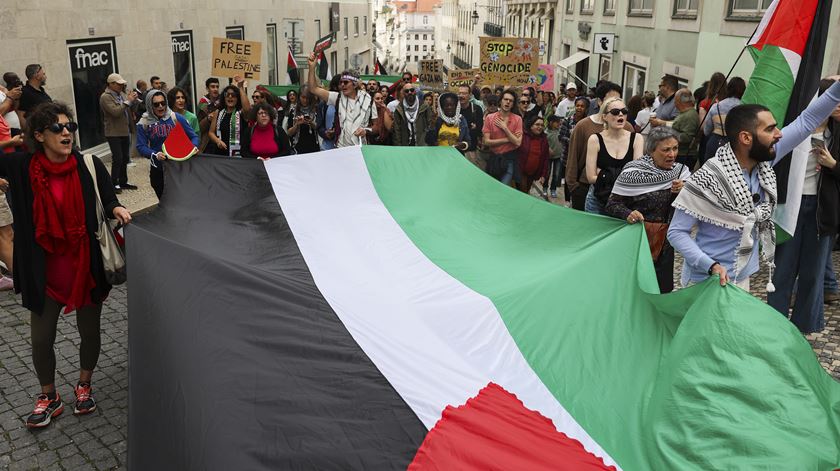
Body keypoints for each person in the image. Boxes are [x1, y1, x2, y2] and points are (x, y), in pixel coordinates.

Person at [0, 102, 131, 428]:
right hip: (44, 273)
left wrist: (116, 209)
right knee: (41, 339)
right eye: (57, 128)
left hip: (86, 268)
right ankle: (49, 395)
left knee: (90, 333)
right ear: (40, 135)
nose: (66, 133)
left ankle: (84, 384)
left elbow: (108, 197)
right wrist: (9, 142)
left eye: (69, 127)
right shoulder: (21, 167)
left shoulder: (88, 164)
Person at [668, 79, 840, 291]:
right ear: (746, 138)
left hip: (741, 278)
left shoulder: (764, 163)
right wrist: (710, 265)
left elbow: (806, 121)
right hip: (704, 281)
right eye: (770, 129)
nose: (779, 135)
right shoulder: (707, 177)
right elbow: (676, 232)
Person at [768, 78, 840, 333]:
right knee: (782, 270)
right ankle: (773, 324)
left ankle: (803, 328)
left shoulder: (837, 134)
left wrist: (833, 165)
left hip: (822, 212)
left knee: (812, 274)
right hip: (790, 206)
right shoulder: (794, 130)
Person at [606, 127, 690, 293]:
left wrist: (685, 190)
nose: (672, 155)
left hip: (665, 243)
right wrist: (628, 213)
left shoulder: (681, 172)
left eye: (675, 148)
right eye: (666, 150)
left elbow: (693, 206)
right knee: (636, 288)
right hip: (638, 239)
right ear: (651, 150)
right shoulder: (633, 172)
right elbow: (612, 204)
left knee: (662, 289)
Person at [565, 81, 634, 210]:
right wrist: (574, 187)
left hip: (619, 191)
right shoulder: (583, 126)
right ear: (600, 102)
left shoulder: (628, 127)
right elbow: (573, 158)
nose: (616, 108)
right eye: (610, 101)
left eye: (618, 100)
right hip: (586, 187)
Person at [584, 97, 644, 214]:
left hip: (624, 202)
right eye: (615, 112)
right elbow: (591, 177)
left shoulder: (637, 139)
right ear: (604, 117)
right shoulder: (595, 139)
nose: (620, 114)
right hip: (597, 199)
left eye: (624, 111)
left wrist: (604, 174)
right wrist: (621, 174)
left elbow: (636, 175)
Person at [136, 90, 199, 199]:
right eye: (156, 104)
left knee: (182, 200)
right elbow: (141, 146)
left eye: (163, 103)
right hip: (158, 169)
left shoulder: (176, 117)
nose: (161, 106)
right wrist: (155, 154)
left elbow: (193, 136)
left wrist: (193, 147)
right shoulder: (143, 123)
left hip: (179, 168)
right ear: (150, 106)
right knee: (164, 202)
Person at [307, 53, 377, 147]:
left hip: (361, 148)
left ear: (355, 85)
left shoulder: (369, 100)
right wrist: (311, 67)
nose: (342, 85)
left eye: (346, 82)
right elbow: (313, 89)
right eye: (341, 82)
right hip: (341, 148)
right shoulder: (337, 97)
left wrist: (366, 131)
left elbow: (376, 127)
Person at [99, 73, 139, 194]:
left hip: (124, 130)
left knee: (125, 157)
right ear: (111, 84)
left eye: (122, 84)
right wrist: (128, 102)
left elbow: (129, 109)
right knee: (118, 158)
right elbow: (115, 112)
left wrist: (134, 100)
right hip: (113, 132)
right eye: (119, 84)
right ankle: (114, 183)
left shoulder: (120, 95)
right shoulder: (105, 97)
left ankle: (123, 181)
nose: (122, 86)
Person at [482, 89, 523, 186]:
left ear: (513, 104)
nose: (508, 102)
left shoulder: (517, 119)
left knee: (503, 187)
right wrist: (509, 139)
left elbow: (518, 143)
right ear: (500, 101)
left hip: (509, 159)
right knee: (492, 188)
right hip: (493, 158)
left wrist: (505, 128)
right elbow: (487, 142)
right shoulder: (490, 118)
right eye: (505, 99)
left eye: (511, 101)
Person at [702, 77, 746, 164]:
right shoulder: (745, 109)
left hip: (714, 143)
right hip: (733, 146)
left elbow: (706, 131)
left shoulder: (716, 106)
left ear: (728, 88)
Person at [206, 79, 251, 157]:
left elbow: (247, 108)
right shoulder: (218, 112)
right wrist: (218, 141)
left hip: (238, 156)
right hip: (220, 154)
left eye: (233, 95)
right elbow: (211, 132)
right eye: (227, 95)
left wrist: (240, 87)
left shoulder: (241, 113)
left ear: (238, 99)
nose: (230, 97)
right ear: (224, 97)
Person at [393, 82, 434, 147]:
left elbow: (430, 126)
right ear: (403, 94)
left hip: (422, 145)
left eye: (412, 90)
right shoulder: (399, 109)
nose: (409, 92)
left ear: (415, 92)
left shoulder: (424, 107)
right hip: (406, 146)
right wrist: (399, 147)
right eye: (406, 91)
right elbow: (397, 131)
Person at [517, 115, 549, 194]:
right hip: (520, 171)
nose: (540, 127)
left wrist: (543, 175)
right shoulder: (523, 136)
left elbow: (545, 158)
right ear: (531, 126)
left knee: (526, 191)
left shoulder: (544, 140)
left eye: (542, 125)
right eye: (537, 124)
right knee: (523, 192)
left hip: (533, 174)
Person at [284, 86, 319, 154]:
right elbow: (289, 133)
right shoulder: (293, 111)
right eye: (303, 97)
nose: (305, 100)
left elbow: (319, 128)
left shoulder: (316, 110)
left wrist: (311, 123)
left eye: (308, 98)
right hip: (298, 147)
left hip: (314, 147)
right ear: (299, 97)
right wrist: (297, 124)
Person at [671, 88, 700, 168]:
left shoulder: (690, 115)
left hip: (684, 156)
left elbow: (687, 137)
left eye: (675, 100)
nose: (674, 103)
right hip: (682, 154)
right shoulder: (686, 113)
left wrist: (671, 133)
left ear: (680, 101)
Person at [458, 85, 484, 167]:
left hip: (471, 151)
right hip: (455, 151)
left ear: (470, 95)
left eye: (464, 93)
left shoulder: (476, 109)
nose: (461, 96)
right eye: (460, 93)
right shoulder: (453, 109)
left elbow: (479, 130)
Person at [316, 75, 341, 150]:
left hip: (344, 146)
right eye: (341, 83)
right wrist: (326, 133)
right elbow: (319, 125)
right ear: (335, 87)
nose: (344, 86)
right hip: (328, 146)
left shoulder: (351, 103)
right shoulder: (323, 105)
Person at [545, 115, 564, 198]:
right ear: (551, 123)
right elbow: (543, 143)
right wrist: (548, 149)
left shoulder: (560, 131)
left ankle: (553, 189)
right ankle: (545, 188)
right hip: (548, 157)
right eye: (556, 122)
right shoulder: (546, 132)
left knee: (556, 174)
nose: (558, 124)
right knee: (547, 173)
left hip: (558, 157)